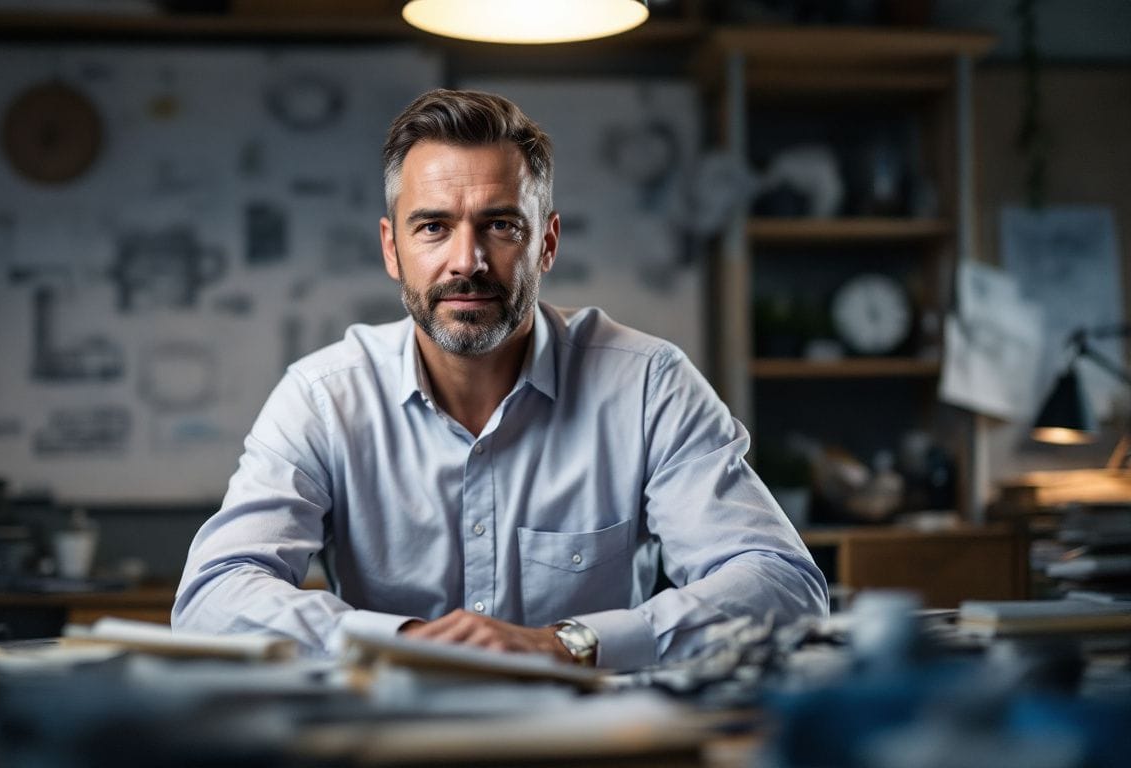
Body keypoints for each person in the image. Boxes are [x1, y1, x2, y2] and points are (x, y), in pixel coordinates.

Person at [173, 89, 828, 670]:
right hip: (387, 742)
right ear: (390, 249)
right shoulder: (322, 398)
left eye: (500, 226)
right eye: (433, 227)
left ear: (546, 243)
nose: (468, 261)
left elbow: (783, 585)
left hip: (597, 742)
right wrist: (403, 641)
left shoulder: (648, 384)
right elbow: (214, 594)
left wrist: (566, 643)